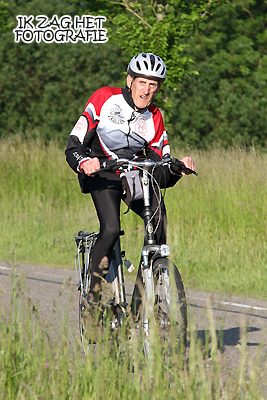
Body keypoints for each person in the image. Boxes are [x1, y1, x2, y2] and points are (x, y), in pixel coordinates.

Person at [65, 52, 196, 311]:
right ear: (130, 80)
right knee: (111, 229)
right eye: (142, 82)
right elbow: (74, 145)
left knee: (158, 225)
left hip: (135, 173)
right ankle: (91, 300)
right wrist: (84, 162)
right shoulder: (104, 98)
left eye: (153, 84)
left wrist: (178, 168)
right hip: (101, 170)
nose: (147, 90)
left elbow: (161, 168)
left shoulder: (155, 117)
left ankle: (139, 303)